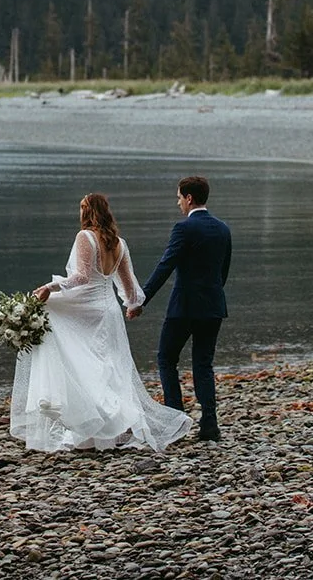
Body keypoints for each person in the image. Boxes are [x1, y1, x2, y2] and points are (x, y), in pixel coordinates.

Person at [9, 193, 193, 452]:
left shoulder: (85, 237)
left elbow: (81, 278)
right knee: (107, 367)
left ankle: (92, 425)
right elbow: (128, 284)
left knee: (83, 364)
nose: (80, 213)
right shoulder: (120, 243)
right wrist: (132, 305)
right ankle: (102, 430)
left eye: (81, 209)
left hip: (88, 311)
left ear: (88, 212)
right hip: (110, 311)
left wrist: (51, 287)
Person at [127, 175, 232, 442]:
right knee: (203, 364)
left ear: (189, 198)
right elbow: (223, 273)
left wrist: (140, 300)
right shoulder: (223, 229)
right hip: (213, 306)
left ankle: (176, 419)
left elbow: (165, 266)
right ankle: (210, 424)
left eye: (178, 197)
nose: (178, 203)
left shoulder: (183, 228)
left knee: (166, 358)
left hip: (184, 307)